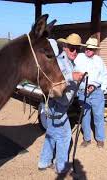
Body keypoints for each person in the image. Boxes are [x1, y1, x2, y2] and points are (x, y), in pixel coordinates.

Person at [38, 34, 84, 174]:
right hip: (57, 104)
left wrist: (80, 84)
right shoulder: (59, 61)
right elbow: (53, 80)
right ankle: (61, 167)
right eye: (72, 48)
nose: (74, 51)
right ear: (65, 47)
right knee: (64, 136)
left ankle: (44, 162)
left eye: (77, 49)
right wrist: (72, 77)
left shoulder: (70, 63)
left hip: (57, 104)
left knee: (51, 134)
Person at [74, 37, 107, 148]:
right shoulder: (79, 57)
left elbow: (105, 75)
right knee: (85, 116)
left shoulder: (99, 60)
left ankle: (100, 139)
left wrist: (100, 89)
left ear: (95, 50)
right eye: (87, 48)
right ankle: (87, 139)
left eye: (91, 48)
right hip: (82, 91)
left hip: (96, 92)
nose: (88, 50)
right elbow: (72, 70)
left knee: (98, 116)